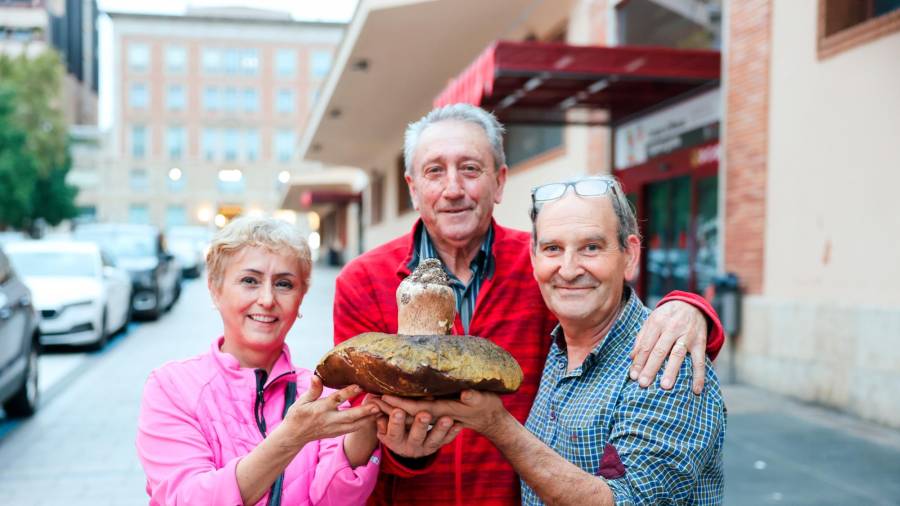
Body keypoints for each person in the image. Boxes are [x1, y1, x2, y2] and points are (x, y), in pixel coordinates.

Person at [333, 103, 725, 505]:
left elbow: (613, 315)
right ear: (413, 188)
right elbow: (362, 417)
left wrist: (690, 309)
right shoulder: (363, 281)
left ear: (499, 182)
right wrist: (405, 455)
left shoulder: (540, 264)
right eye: (435, 171)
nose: (453, 189)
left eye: (470, 168)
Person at [137, 217, 383, 506]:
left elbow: (336, 500)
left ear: (301, 297)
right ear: (215, 288)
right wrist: (291, 438)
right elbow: (186, 499)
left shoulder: (324, 394)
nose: (267, 299)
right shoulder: (172, 388)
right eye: (249, 281)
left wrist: (367, 427)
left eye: (283, 284)